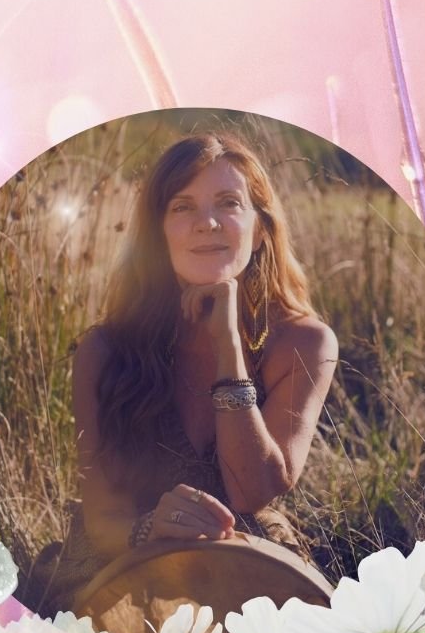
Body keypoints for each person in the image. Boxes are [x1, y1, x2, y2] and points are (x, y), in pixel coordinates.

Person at [73, 132, 337, 564]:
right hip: (129, 560)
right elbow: (101, 520)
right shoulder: (103, 352)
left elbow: (251, 493)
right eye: (182, 207)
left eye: (229, 203)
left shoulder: (305, 342)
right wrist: (150, 529)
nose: (207, 222)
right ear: (158, 235)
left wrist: (228, 343)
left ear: (258, 232)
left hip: (250, 559)